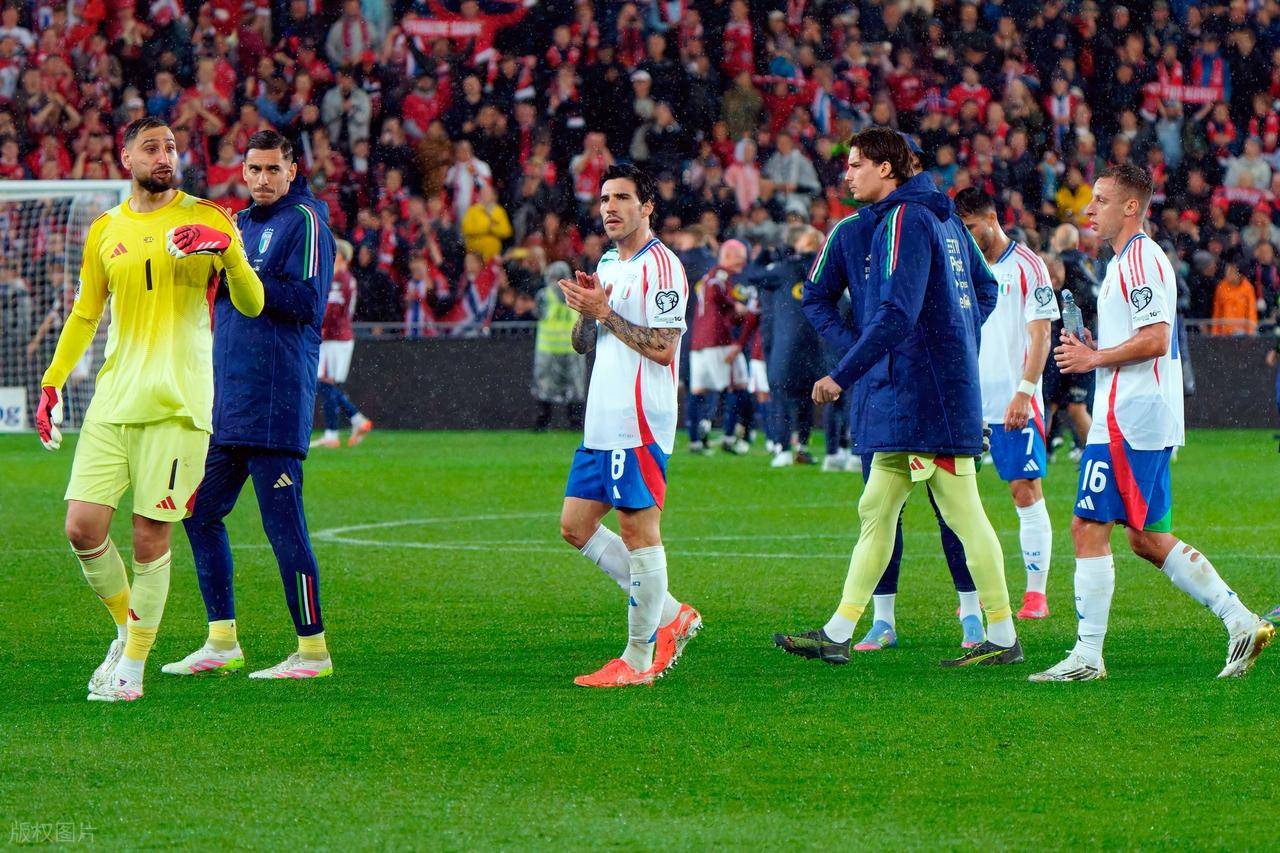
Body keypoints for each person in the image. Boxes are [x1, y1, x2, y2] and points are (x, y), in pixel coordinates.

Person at [34, 116, 265, 702]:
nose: (165, 156)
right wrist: (52, 381)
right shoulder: (105, 229)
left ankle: (131, 671)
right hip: (113, 399)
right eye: (152, 147)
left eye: (171, 147)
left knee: (148, 536)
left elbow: (252, 303)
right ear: (126, 158)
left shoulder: (210, 218)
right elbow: (86, 313)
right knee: (82, 527)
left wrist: (229, 252)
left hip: (178, 404)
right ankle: (126, 630)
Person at [776, 127, 1021, 666]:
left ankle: (1003, 636)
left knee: (962, 513)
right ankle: (839, 630)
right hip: (924, 392)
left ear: (885, 169)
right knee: (880, 509)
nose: (847, 174)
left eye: (856, 164)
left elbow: (896, 314)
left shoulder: (906, 218)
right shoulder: (943, 218)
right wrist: (953, 339)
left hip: (921, 395)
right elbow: (984, 289)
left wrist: (844, 371)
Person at [1034, 163, 1273, 682]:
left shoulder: (1140, 259)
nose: (1089, 210)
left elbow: (1157, 338)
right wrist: (1099, 348)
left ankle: (1087, 656)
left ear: (1130, 207)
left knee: (1086, 527)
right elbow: (1140, 337)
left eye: (1100, 200)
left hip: (1129, 417)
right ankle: (1239, 619)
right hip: (1138, 413)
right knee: (1145, 538)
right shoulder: (1126, 261)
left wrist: (1094, 359)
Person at [166, 130, 338, 680]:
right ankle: (222, 641)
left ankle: (312, 651)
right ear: (243, 172)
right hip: (229, 403)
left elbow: (308, 302)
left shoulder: (305, 221)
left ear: (292, 170)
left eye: (273, 169)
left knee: (283, 529)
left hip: (275, 399)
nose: (263, 179)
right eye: (254, 169)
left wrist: (239, 267)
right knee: (198, 512)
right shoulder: (236, 224)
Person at [556, 163, 701, 687]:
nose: (610, 208)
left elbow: (663, 348)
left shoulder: (662, 267)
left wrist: (605, 312)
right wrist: (586, 310)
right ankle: (672, 614)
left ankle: (638, 660)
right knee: (575, 526)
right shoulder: (607, 263)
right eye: (604, 199)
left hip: (638, 419)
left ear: (647, 207)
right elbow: (583, 345)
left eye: (621, 198)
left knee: (639, 533)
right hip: (603, 418)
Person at [955, 188, 1059, 620]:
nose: (965, 236)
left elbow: (1042, 334)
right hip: (967, 402)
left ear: (992, 219)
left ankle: (1036, 593)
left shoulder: (1028, 265)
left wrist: (1025, 390)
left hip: (1014, 402)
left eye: (970, 228)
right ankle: (979, 591)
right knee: (960, 501)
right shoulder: (961, 266)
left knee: (1025, 492)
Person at [687, 240, 749, 453]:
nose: (744, 262)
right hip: (717, 340)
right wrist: (735, 306)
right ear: (729, 255)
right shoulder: (720, 274)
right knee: (737, 385)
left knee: (698, 390)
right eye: (741, 257)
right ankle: (729, 438)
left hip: (699, 341)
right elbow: (715, 292)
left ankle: (695, 440)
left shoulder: (708, 275)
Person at [312, 239, 374, 449]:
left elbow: (333, 311)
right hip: (339, 337)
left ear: (342, 257)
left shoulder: (339, 278)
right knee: (326, 384)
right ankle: (355, 421)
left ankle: (334, 433)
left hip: (334, 338)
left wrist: (320, 327)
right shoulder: (345, 278)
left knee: (325, 383)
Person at [532, 260, 587, 431]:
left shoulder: (544, 295)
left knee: (547, 387)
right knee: (573, 388)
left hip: (551, 350)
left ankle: (544, 422)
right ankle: (574, 423)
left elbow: (537, 313)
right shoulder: (577, 293)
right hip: (568, 350)